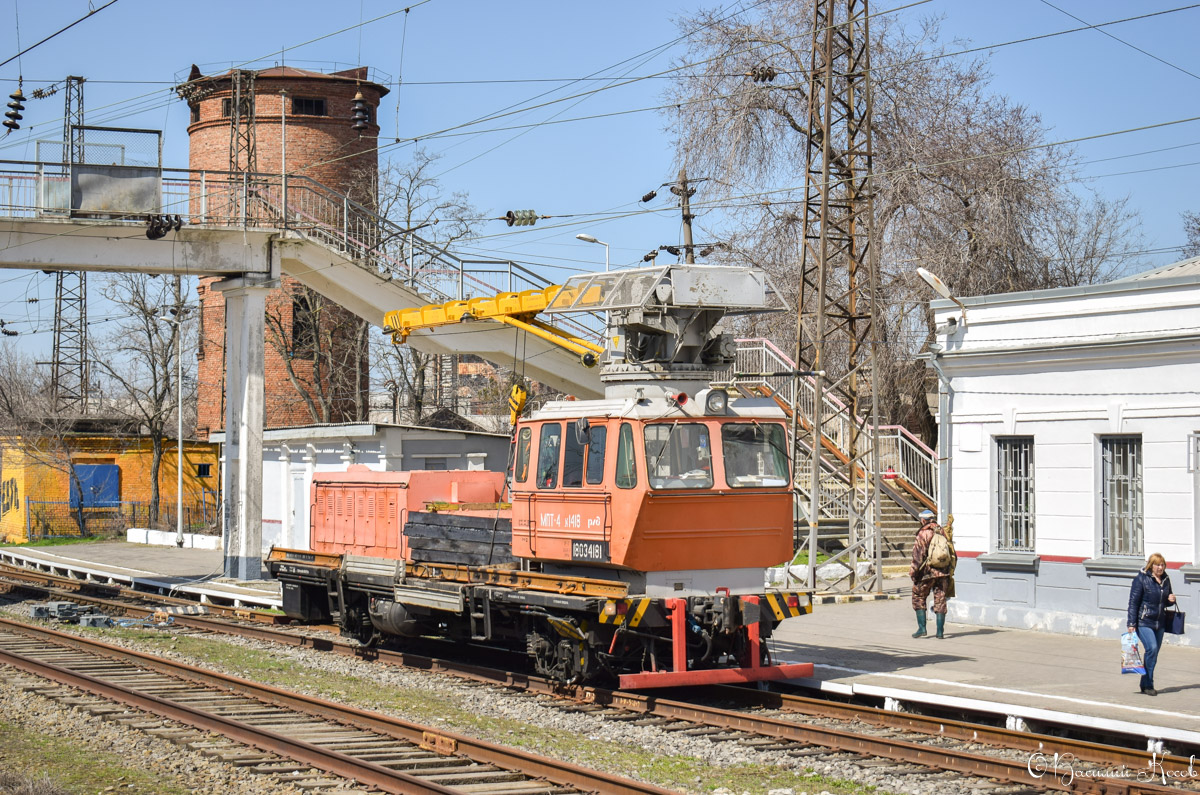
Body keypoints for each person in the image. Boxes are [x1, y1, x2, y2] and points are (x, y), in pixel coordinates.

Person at [1126, 552, 1176, 696]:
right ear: (1151, 565)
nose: (1160, 568)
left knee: (1153, 654)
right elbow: (1133, 603)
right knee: (1152, 648)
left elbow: (1166, 600)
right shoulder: (1141, 579)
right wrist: (1131, 623)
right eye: (1157, 565)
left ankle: (1144, 682)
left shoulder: (1166, 579)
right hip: (1144, 622)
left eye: (1162, 565)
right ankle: (1149, 684)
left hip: (1159, 622)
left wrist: (1171, 600)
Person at [910, 509, 955, 638]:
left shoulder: (923, 534)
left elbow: (918, 556)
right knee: (940, 600)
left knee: (918, 597)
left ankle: (922, 628)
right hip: (943, 573)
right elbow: (951, 551)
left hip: (927, 573)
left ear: (923, 520)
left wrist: (914, 572)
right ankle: (940, 632)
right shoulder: (943, 531)